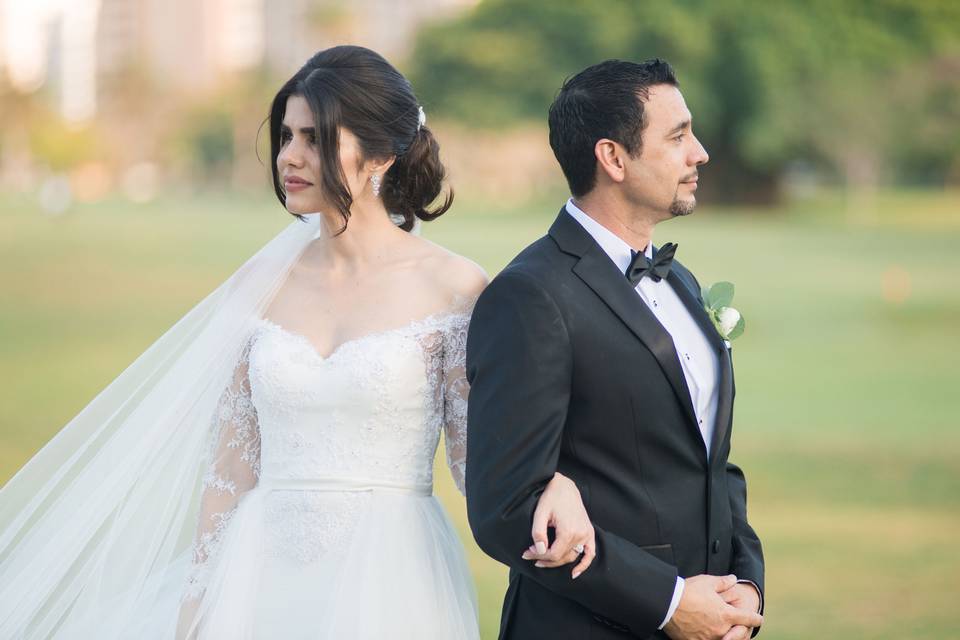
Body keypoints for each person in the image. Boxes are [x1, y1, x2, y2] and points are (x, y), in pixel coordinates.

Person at [0, 45, 592, 640]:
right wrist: (196, 607)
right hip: (257, 574)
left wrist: (556, 482)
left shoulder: (454, 287)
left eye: (315, 138)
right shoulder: (258, 286)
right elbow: (230, 467)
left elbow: (480, 461)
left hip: (392, 577)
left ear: (381, 155)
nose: (290, 156)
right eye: (286, 136)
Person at [465, 58, 766, 640]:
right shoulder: (529, 296)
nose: (699, 152)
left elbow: (711, 460)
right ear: (613, 157)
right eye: (678, 137)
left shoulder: (680, 282)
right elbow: (505, 508)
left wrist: (745, 589)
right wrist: (669, 603)